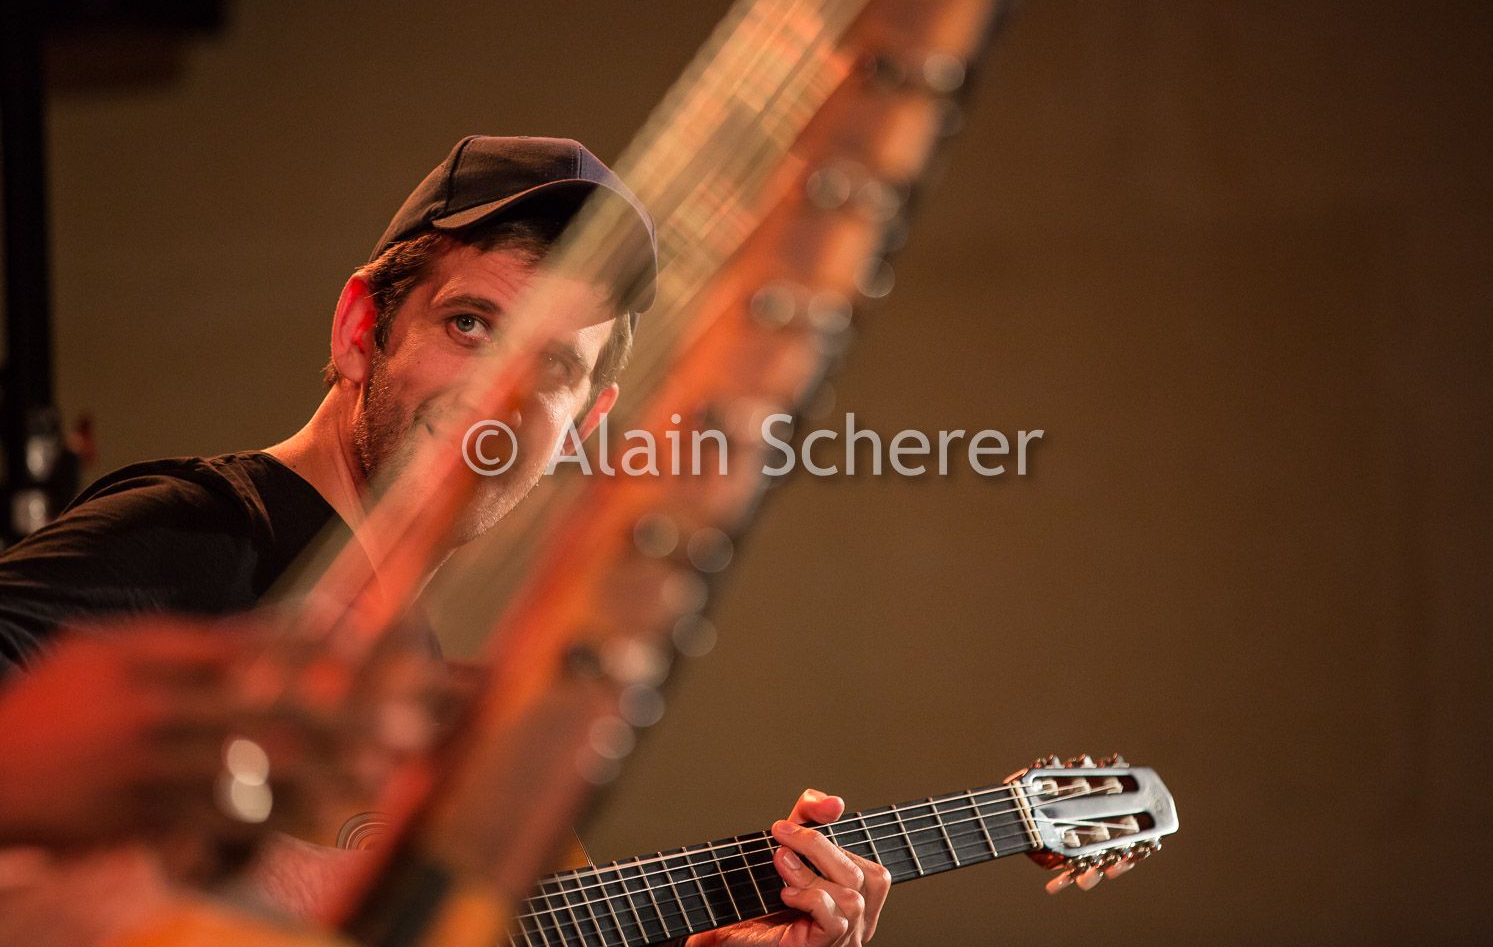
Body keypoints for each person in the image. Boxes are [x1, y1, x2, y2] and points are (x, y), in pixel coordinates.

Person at [0, 135, 891, 946]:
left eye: (552, 367)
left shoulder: (414, 683)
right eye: (472, 326)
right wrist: (254, 899)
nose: (498, 396)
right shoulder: (196, 535)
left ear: (583, 427)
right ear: (361, 331)